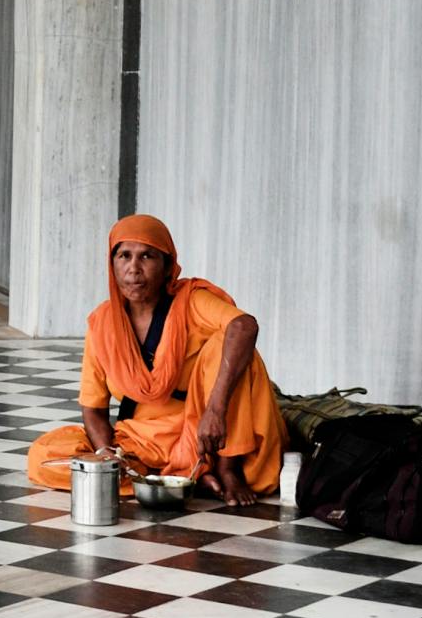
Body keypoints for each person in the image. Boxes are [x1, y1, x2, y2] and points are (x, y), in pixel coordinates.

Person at [25, 214, 289, 507]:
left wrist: (215, 411)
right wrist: (106, 454)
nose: (133, 269)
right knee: (43, 455)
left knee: (229, 345)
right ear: (112, 265)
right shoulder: (103, 323)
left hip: (209, 435)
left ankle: (225, 469)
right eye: (124, 256)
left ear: (167, 267)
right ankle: (174, 474)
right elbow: (93, 409)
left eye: (147, 256)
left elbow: (244, 326)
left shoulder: (191, 301)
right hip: (141, 443)